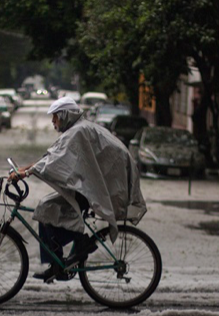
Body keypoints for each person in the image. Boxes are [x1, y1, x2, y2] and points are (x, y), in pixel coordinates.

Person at [9, 96, 146, 282]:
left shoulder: (77, 132)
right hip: (94, 185)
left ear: (65, 115)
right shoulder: (77, 129)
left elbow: (56, 161)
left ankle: (77, 247)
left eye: (55, 117)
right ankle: (58, 262)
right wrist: (27, 168)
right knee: (47, 208)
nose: (52, 121)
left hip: (95, 188)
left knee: (46, 208)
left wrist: (27, 173)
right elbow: (52, 156)